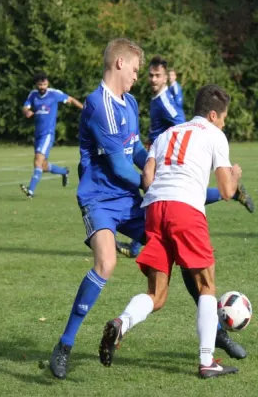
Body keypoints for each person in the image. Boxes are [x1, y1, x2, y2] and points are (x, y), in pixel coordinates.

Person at [99, 84, 242, 379]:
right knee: (206, 285)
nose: (224, 123)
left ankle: (121, 323)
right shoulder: (215, 135)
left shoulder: (168, 134)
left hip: (154, 209)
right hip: (185, 209)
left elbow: (148, 177)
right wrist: (236, 175)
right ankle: (206, 361)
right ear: (213, 115)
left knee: (157, 294)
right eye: (224, 117)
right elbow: (227, 191)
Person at [48, 38, 149, 380]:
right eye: (135, 69)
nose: (137, 76)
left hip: (127, 200)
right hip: (99, 199)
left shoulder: (130, 102)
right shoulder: (97, 104)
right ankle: (65, 344)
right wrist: (149, 182)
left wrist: (154, 165)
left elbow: (135, 152)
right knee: (106, 262)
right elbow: (122, 169)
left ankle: (211, 328)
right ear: (119, 64)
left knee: (175, 240)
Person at [116, 55, 254, 259]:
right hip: (158, 152)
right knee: (166, 193)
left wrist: (173, 144)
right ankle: (233, 194)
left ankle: (136, 246)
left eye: (158, 76)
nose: (153, 79)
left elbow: (182, 124)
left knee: (161, 192)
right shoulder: (157, 99)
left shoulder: (164, 101)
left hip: (167, 154)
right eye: (151, 75)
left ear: (165, 78)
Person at [20, 72, 83, 199]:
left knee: (37, 161)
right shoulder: (33, 95)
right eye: (40, 84)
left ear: (47, 83)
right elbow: (25, 107)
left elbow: (70, 99)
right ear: (36, 85)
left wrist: (85, 109)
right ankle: (64, 172)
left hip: (47, 134)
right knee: (43, 166)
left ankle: (30, 191)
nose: (42, 86)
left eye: (44, 84)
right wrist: (26, 111)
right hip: (37, 134)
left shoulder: (54, 94)